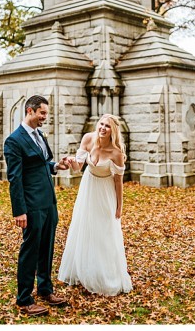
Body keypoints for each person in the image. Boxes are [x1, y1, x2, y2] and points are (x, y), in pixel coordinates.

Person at [5, 95, 70, 316]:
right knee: (30, 251)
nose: (45, 117)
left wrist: (56, 166)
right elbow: (15, 178)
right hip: (31, 206)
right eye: (42, 113)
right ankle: (24, 299)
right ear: (30, 111)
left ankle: (45, 290)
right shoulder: (14, 141)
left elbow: (42, 164)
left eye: (46, 113)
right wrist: (19, 210)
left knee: (47, 249)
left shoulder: (39, 135)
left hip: (49, 202)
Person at [57, 114, 133, 296]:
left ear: (112, 131)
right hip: (88, 188)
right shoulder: (88, 139)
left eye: (107, 126)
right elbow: (78, 167)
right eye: (101, 124)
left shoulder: (116, 153)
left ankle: (105, 275)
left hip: (105, 191)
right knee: (84, 226)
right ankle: (83, 270)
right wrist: (70, 161)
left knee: (104, 231)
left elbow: (118, 182)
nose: (103, 128)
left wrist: (119, 206)